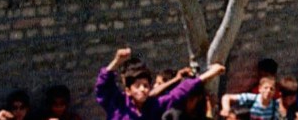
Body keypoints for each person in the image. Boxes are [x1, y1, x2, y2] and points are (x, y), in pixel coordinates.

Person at [95, 46, 224, 120]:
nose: (142, 89)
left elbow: (179, 93)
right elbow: (103, 86)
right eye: (137, 86)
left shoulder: (154, 106)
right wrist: (117, 61)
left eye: (145, 86)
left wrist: (211, 73)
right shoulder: (119, 106)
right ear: (128, 90)